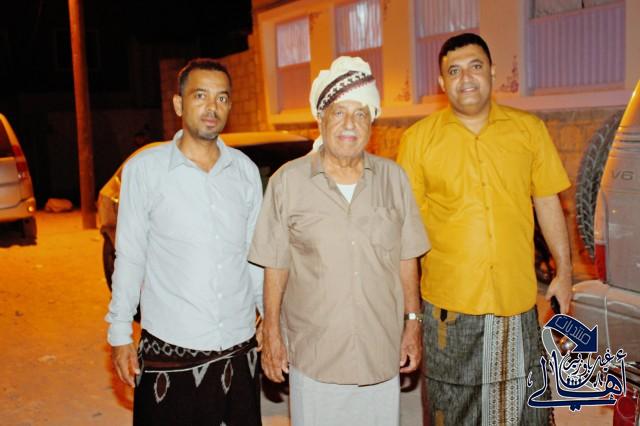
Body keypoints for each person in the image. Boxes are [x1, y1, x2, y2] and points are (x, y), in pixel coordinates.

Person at [397, 33, 572, 425]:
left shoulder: (528, 131)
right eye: (454, 71)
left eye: (475, 67)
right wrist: (411, 316)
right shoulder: (419, 141)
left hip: (516, 304)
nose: (466, 78)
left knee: (525, 411)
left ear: (492, 72)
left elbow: (547, 201)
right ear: (441, 83)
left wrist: (564, 270)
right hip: (450, 313)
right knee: (451, 412)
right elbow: (405, 236)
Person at [248, 56, 430, 426]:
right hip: (316, 356)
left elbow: (407, 258)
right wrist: (271, 332)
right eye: (339, 113)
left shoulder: (394, 179)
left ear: (371, 123)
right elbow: (275, 263)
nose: (350, 124)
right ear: (321, 118)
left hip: (380, 351)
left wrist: (413, 323)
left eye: (361, 113)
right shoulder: (288, 182)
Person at [106, 58, 264, 426]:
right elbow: (130, 256)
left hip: (239, 346)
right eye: (200, 96)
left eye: (222, 98)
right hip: (170, 348)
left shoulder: (244, 171)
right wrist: (119, 332)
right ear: (179, 104)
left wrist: (269, 320)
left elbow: (254, 256)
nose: (212, 107)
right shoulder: (146, 170)